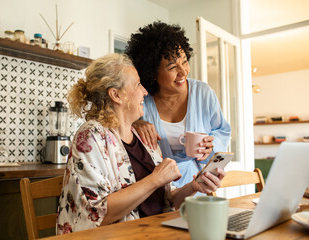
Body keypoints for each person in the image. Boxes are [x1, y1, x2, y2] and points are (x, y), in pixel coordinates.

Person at [56, 53, 225, 234]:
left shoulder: (142, 136)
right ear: (116, 95)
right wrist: (155, 179)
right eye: (137, 84)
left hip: (154, 232)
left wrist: (194, 186)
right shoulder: (91, 135)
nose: (145, 91)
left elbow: (167, 199)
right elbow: (98, 213)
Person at [125, 21, 231, 188]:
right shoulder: (141, 100)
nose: (183, 72)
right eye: (173, 67)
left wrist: (211, 146)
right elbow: (118, 131)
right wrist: (133, 124)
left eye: (185, 61)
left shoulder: (203, 93)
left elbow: (222, 131)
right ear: (152, 72)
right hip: (155, 190)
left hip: (197, 184)